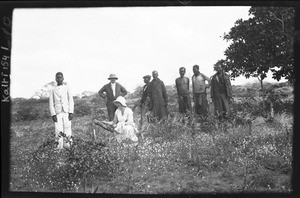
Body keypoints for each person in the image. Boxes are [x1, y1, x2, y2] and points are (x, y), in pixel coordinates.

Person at [49, 72, 74, 149]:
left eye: (60, 77)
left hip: (66, 111)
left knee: (67, 128)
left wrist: (71, 112)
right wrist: (53, 114)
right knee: (58, 129)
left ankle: (68, 145)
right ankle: (59, 147)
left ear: (63, 78)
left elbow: (71, 101)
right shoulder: (52, 90)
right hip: (58, 112)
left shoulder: (67, 88)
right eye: (57, 77)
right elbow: (51, 103)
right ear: (55, 79)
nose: (59, 79)